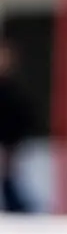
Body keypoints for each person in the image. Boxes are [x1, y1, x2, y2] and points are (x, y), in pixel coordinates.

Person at [0, 42, 36, 214]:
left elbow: (22, 117)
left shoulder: (14, 89)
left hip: (9, 143)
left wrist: (12, 145)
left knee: (9, 182)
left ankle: (19, 212)